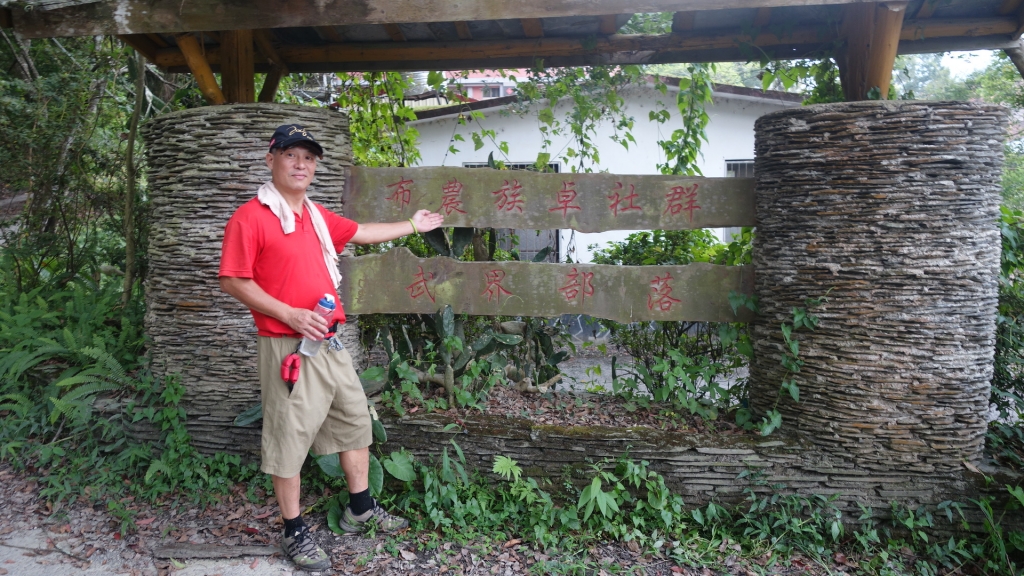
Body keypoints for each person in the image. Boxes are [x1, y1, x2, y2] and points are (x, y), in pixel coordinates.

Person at [218, 124, 443, 572]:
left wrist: (412, 225)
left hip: (330, 343)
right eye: (290, 154)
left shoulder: (317, 217)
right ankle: (294, 530)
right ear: (271, 160)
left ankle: (359, 508)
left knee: (355, 420)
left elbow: (361, 231)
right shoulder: (252, 217)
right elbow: (232, 279)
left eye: (309, 157)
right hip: (288, 345)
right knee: (289, 437)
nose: (300, 163)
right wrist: (289, 313)